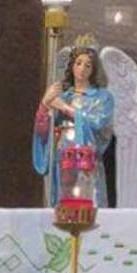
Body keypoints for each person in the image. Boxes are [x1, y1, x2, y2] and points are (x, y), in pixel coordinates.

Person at [33, 35, 114, 207]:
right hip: (62, 159)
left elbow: (98, 124)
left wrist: (66, 109)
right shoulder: (63, 96)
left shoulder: (102, 97)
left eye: (88, 65)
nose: (82, 69)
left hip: (86, 161)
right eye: (78, 63)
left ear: (94, 69)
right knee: (63, 206)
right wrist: (44, 105)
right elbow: (43, 131)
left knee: (86, 204)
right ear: (72, 66)